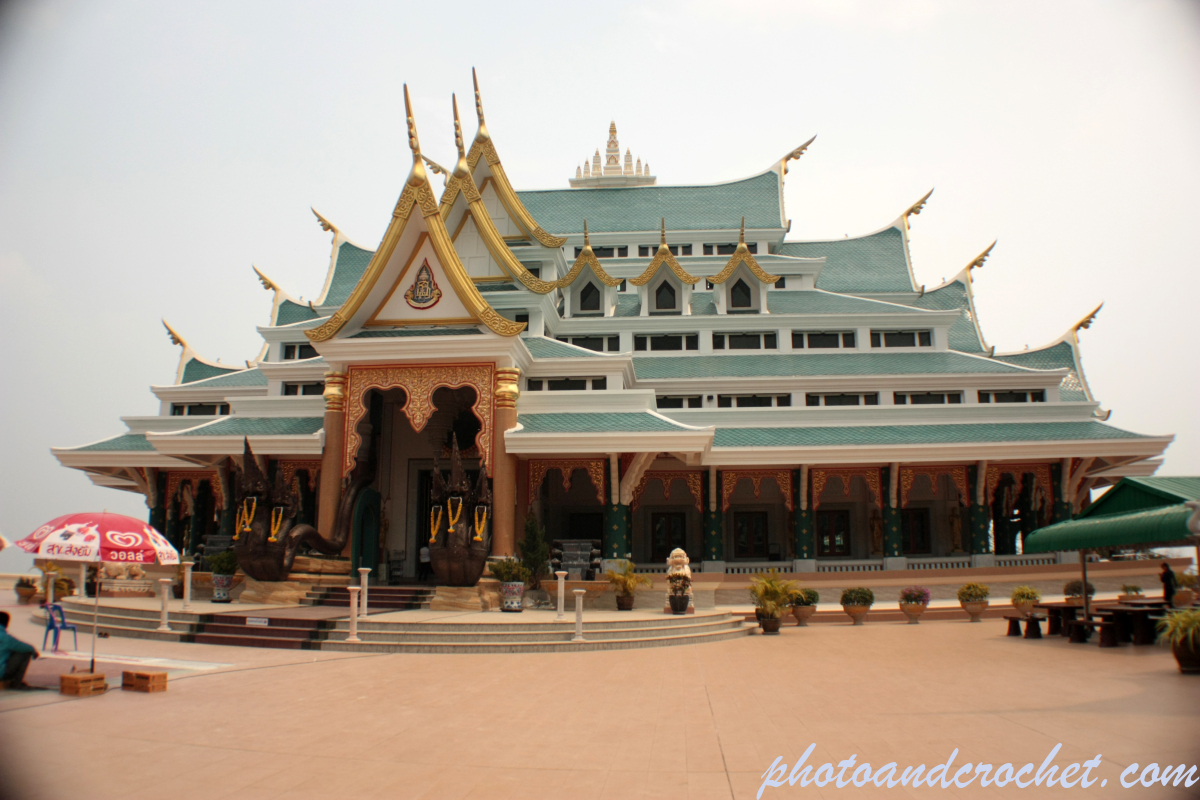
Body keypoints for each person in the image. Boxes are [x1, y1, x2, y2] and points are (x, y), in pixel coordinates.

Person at [0, 611, 39, 691]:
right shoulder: (5, 638)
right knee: (25, 653)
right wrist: (34, 651)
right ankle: (16, 683)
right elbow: (25, 647)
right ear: (6, 624)